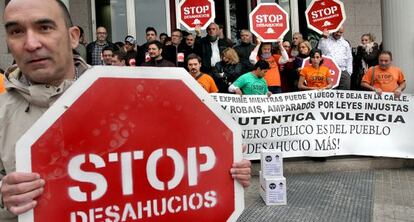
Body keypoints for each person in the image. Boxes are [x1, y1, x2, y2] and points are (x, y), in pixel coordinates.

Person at [0, 3, 250, 221]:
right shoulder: (2, 112)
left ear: (73, 36)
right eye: (16, 31)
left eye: (44, 27)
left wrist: (226, 168)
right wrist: (4, 195)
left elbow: (179, 154)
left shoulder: (128, 92)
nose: (31, 43)